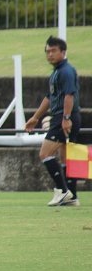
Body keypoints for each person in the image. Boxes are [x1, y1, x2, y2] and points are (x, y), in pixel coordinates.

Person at [24, 36, 81, 207]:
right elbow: (50, 97)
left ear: (63, 52)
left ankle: (62, 191)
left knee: (45, 153)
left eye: (53, 51)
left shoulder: (66, 71)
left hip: (63, 117)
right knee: (66, 157)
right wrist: (35, 117)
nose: (50, 54)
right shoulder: (57, 72)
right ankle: (72, 196)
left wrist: (66, 118)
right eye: (47, 51)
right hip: (64, 116)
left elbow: (69, 96)